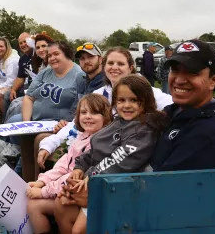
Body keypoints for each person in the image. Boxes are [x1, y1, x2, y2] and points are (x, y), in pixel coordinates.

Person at [54, 74, 168, 234]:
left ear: (146, 101)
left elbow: (121, 159)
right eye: (121, 100)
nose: (126, 105)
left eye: (134, 100)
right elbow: (94, 149)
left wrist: (91, 176)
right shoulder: (118, 121)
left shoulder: (143, 128)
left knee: (78, 230)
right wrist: (79, 167)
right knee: (60, 204)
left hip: (118, 188)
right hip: (97, 180)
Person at [39, 47, 173, 176]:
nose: (114, 67)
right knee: (42, 142)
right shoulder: (100, 94)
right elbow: (76, 123)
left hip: (115, 158)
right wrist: (51, 143)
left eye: (120, 63)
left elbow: (174, 105)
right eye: (110, 63)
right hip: (94, 149)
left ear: (130, 67)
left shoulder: (145, 91)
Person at [26, 94, 112, 234]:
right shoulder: (82, 137)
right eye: (83, 112)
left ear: (106, 116)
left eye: (95, 112)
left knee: (36, 206)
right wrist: (42, 181)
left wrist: (43, 191)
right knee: (32, 206)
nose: (88, 116)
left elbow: (72, 178)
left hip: (79, 194)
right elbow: (63, 164)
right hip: (63, 189)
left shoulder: (100, 144)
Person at [150, 39, 215, 171]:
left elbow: (165, 186)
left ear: (213, 81)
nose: (179, 80)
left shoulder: (212, 132)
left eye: (192, 72)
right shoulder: (173, 112)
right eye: (174, 70)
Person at [7, 42, 85, 182]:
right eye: (49, 56)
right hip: (38, 121)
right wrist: (26, 124)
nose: (52, 58)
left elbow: (81, 106)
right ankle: (21, 169)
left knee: (36, 139)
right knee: (14, 121)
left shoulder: (78, 75)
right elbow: (29, 97)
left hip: (58, 123)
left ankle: (21, 177)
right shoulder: (45, 72)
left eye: (56, 54)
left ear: (67, 55)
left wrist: (68, 123)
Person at [32, 42, 106, 174]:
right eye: (82, 58)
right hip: (78, 126)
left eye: (90, 57)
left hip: (90, 136)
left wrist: (71, 125)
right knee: (37, 140)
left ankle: (45, 183)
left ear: (100, 59)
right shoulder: (82, 79)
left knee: (43, 141)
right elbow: (76, 108)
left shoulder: (104, 84)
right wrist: (65, 121)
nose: (86, 61)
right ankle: (30, 180)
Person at [4, 32, 54, 124]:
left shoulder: (54, 62)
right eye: (38, 47)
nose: (41, 49)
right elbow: (21, 77)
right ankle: (6, 128)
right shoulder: (38, 62)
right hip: (34, 91)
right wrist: (13, 90)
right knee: (11, 100)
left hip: (47, 97)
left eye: (44, 46)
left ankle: (18, 131)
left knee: (17, 106)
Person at [5, 32, 34, 110]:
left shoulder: (39, 53)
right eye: (21, 43)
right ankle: (5, 120)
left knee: (18, 104)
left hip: (37, 88)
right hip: (29, 86)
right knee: (7, 95)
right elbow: (20, 77)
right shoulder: (22, 59)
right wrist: (13, 90)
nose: (23, 44)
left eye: (25, 41)